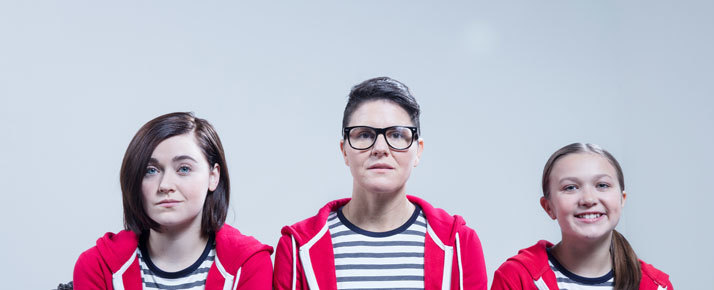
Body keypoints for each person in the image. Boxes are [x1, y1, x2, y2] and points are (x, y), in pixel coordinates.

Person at [273, 77, 487, 290]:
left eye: (396, 134)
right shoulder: (297, 247)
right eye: (365, 135)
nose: (380, 148)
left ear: (418, 151)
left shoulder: (459, 244)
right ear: (344, 151)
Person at [74, 112, 273, 290]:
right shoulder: (97, 265)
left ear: (213, 176)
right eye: (150, 171)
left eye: (184, 169)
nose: (165, 185)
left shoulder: (249, 263)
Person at [491, 143, 673, 290]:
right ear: (548, 207)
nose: (588, 199)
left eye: (602, 185)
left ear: (621, 199)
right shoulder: (516, 279)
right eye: (570, 187)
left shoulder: (655, 286)